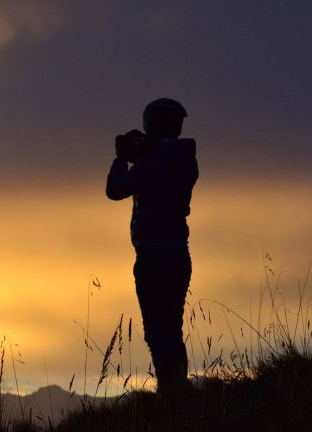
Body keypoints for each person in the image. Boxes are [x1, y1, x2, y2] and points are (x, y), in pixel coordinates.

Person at [105, 98, 198, 393]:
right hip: (178, 253)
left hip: (152, 256)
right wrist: (143, 152)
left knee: (158, 331)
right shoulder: (184, 158)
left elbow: (115, 189)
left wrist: (123, 156)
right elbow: (162, 166)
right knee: (171, 328)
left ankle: (171, 394)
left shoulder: (151, 161)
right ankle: (176, 390)